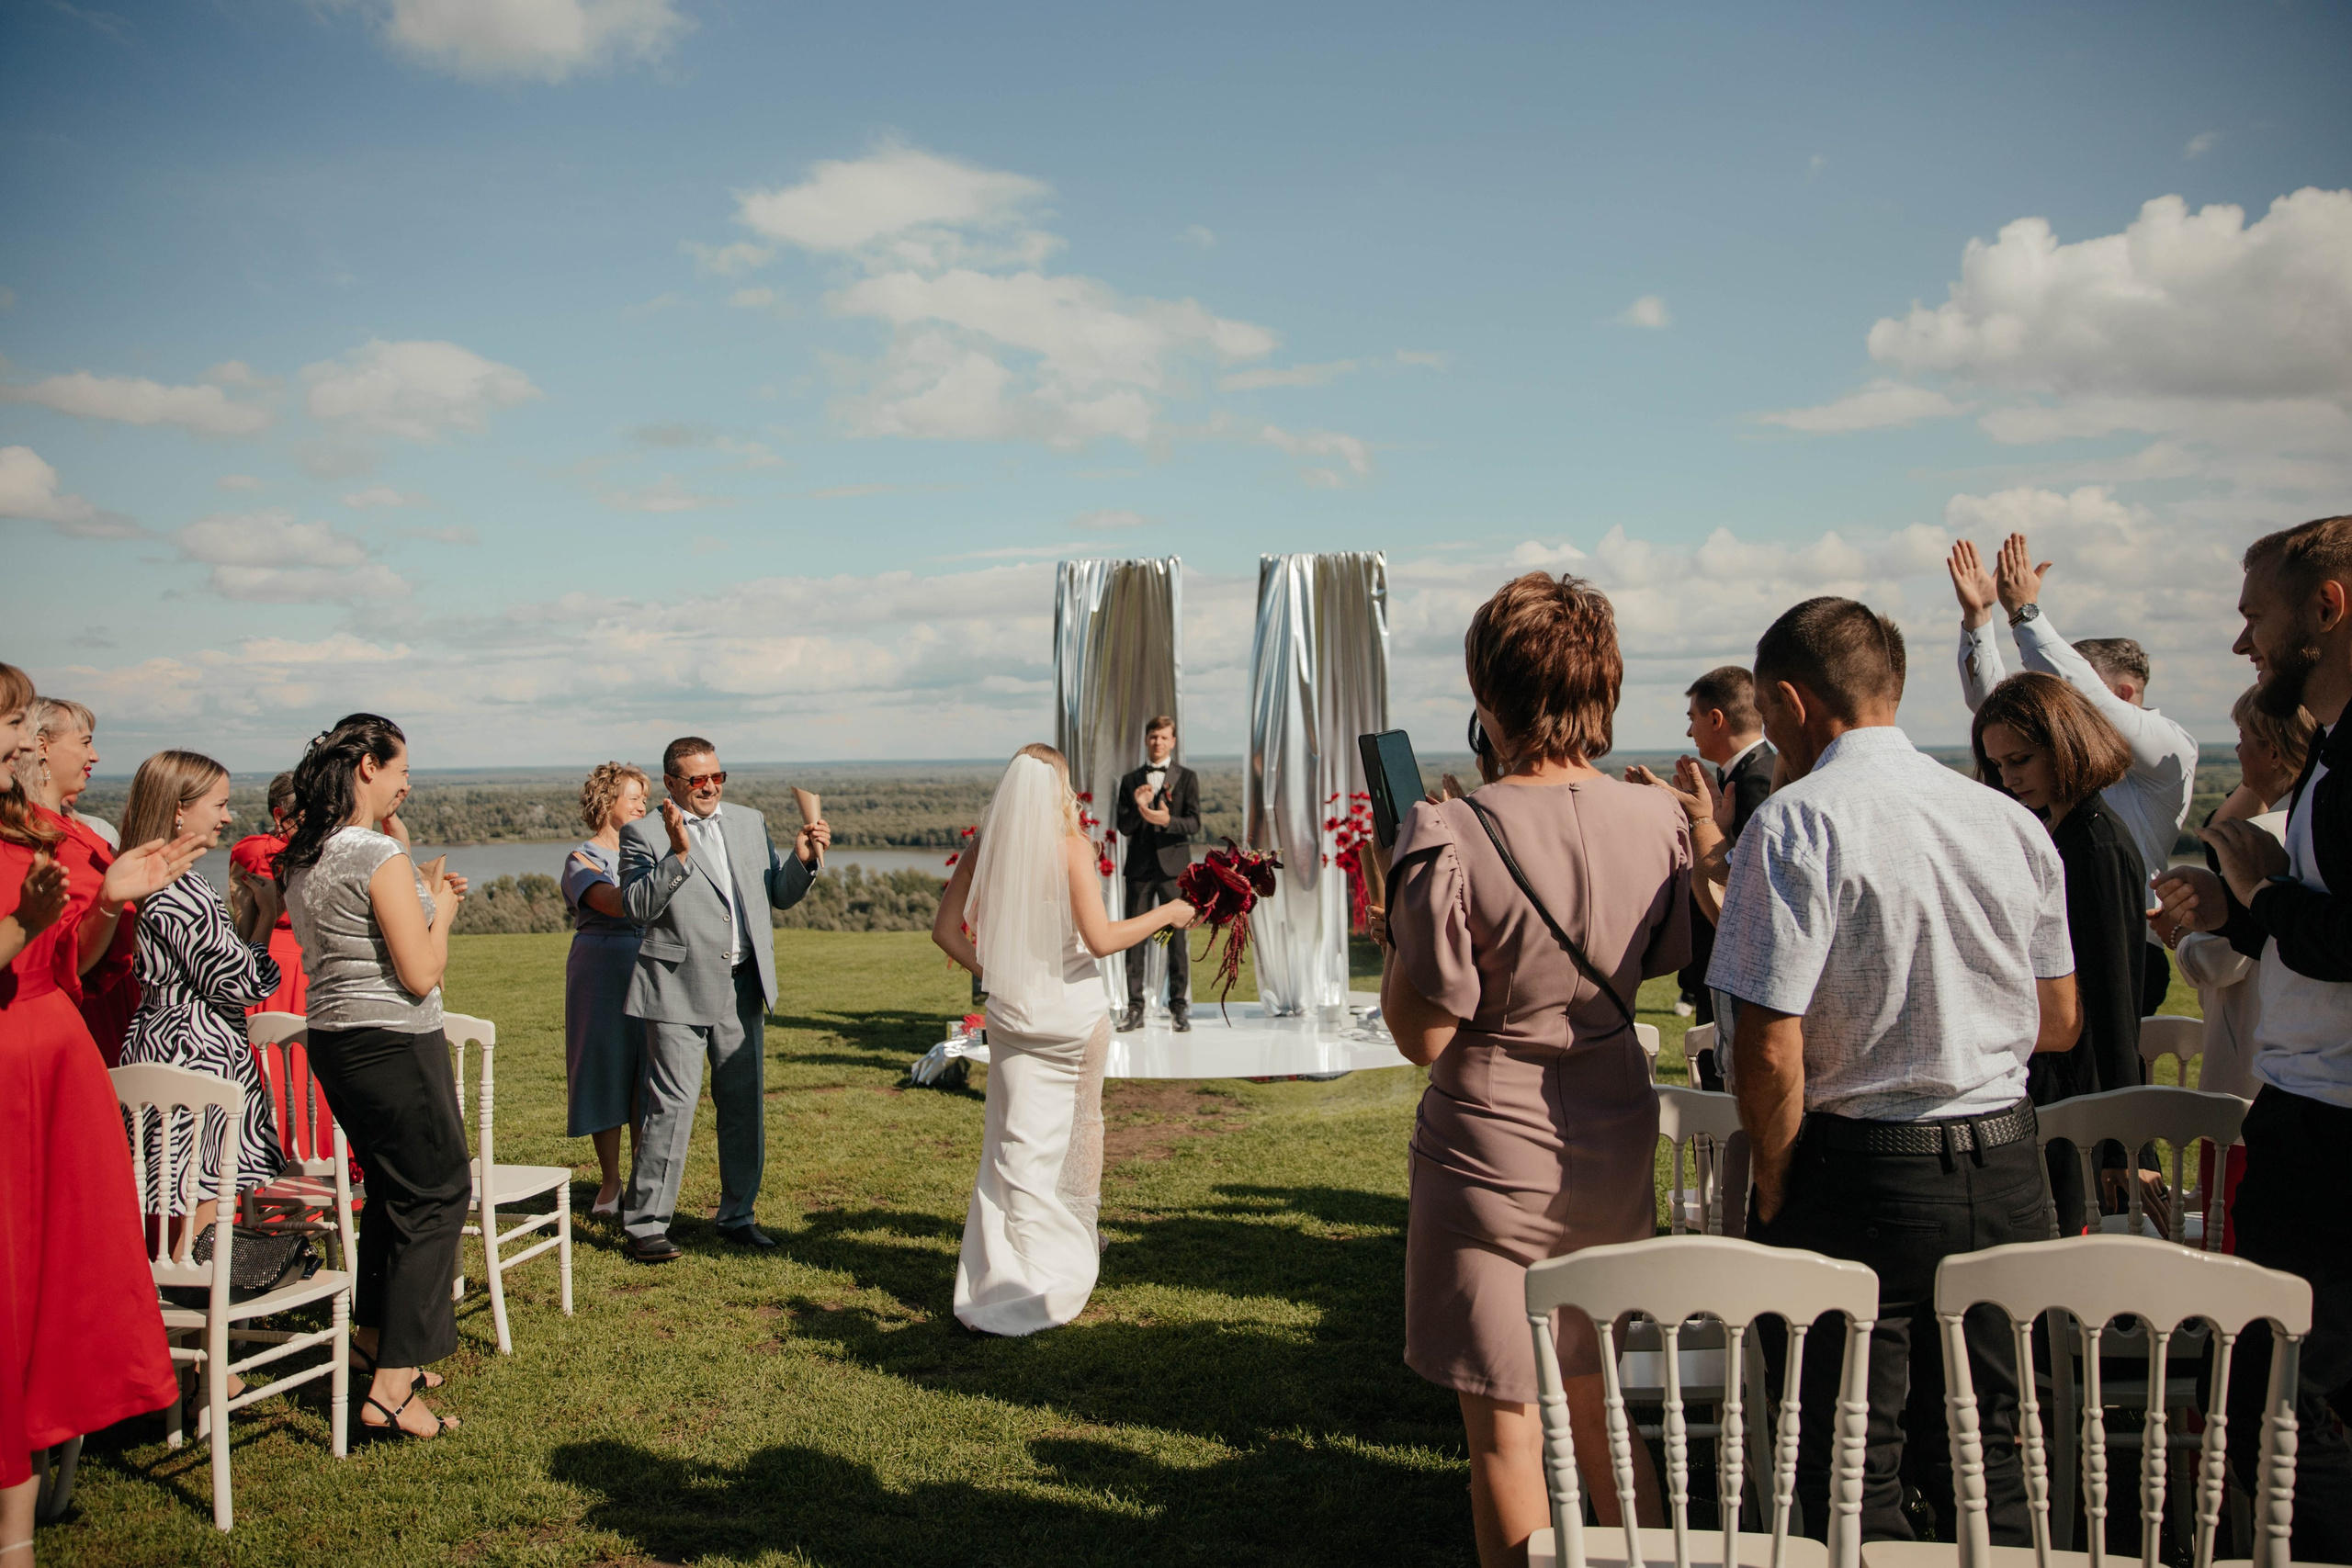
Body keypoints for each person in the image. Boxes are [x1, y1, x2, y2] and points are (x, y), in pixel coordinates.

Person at [1710, 596, 2080, 1548]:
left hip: (1861, 1164)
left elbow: (1768, 1037)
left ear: (1787, 702)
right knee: (1997, 1448)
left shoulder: (1794, 824)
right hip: (2005, 1165)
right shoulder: (2006, 821)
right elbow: (2061, 1020)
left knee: (1844, 1453)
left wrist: (1777, 1170)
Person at [1375, 573, 1691, 1567]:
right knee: (1595, 1401)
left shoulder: (1453, 834)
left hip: (1489, 1150)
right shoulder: (1661, 820)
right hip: (1613, 1134)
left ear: (1486, 689)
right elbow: (1670, 953)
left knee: (1507, 1431)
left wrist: (1402, 918)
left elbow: (1421, 1034)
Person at [2152, 514, 2352, 1562]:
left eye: (2254, 619)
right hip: (2309, 1112)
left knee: (2288, 1402)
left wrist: (2261, 896)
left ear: (2330, 607)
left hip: (2332, 1138)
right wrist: (2241, 912)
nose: (2242, 645)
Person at [0, 663, 193, 1555]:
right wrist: (24, 929)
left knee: (53, 1284)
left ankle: (25, 1521)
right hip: (12, 1070)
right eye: (11, 723)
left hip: (56, 1062)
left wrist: (109, 904)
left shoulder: (32, 830)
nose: (23, 742)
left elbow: (66, 958)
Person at [930, 744, 1195, 1335]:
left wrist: (997, 973)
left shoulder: (983, 849)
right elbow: (1100, 940)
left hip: (1015, 1014)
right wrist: (1167, 913)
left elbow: (945, 932)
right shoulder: (1073, 847)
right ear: (1058, 790)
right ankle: (1071, 1250)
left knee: (1011, 1147)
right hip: (1072, 1018)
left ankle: (1000, 1270)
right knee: (1080, 1130)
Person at [281, 713, 469, 1442]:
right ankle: (393, 1387)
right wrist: (444, 909)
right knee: (439, 1189)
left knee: (392, 1187)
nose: (406, 783)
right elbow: (420, 973)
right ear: (366, 766)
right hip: (393, 1039)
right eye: (399, 771)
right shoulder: (373, 855)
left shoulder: (309, 853)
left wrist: (411, 871)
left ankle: (372, 1337)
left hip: (335, 1037)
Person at [1951, 533, 2197, 1015]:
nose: (2061, 708)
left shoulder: (2169, 748)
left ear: (2124, 695)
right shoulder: (2057, 760)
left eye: (2070, 691)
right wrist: (1979, 619)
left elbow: (2087, 701)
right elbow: (1998, 710)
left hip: (2123, 948)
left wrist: (2024, 614)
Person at [616, 738, 830, 1263]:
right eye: (697, 779)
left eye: (717, 776)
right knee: (671, 1108)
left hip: (742, 988)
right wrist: (678, 854)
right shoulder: (641, 834)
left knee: (744, 1107)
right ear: (670, 784)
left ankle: (738, 1216)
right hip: (676, 989)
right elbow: (637, 908)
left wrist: (802, 862)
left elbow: (776, 895)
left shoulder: (749, 821)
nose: (710, 787)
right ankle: (645, 1224)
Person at [1971, 672, 2146, 1234]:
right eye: (1998, 766)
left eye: (2020, 759)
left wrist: (2125, 1142)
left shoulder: (2092, 845)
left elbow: (2116, 995)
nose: (2009, 777)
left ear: (2064, 745)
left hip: (2080, 1092)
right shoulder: (2064, 833)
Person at [2163, 686, 2312, 1254]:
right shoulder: (2303, 827)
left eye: (2246, 740)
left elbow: (2218, 960)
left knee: (2237, 1247)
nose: (2238, 752)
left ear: (2274, 751)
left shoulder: (2268, 837)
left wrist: (2181, 935)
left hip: (2247, 1080)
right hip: (2281, 1077)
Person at [116, 750, 288, 1227]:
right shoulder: (179, 889)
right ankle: (201, 1290)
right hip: (196, 1047)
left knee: (168, 1185)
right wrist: (268, 917)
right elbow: (242, 982)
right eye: (219, 805)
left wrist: (254, 919)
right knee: (201, 1190)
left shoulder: (145, 874)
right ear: (178, 809)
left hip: (160, 1035)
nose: (228, 816)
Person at [10, 697, 140, 1062]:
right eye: (85, 742)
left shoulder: (75, 830)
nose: (95, 755)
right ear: (41, 747)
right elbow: (64, 953)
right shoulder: (37, 836)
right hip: (84, 1005)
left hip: (114, 997)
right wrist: (111, 900)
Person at [1664, 666, 1774, 1082]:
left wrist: (1702, 827)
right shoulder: (1740, 777)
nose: (1690, 733)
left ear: (1716, 718)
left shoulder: (1759, 781)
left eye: (1692, 718)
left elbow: (1745, 888)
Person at [561, 761, 652, 1216]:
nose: (643, 803)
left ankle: (643, 1180)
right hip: (599, 969)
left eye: (644, 796)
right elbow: (617, 905)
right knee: (602, 1069)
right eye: (634, 795)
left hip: (650, 967)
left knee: (645, 1074)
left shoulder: (651, 853)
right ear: (607, 801)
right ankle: (610, 1182)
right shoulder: (581, 859)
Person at [1113, 715, 1199, 1033]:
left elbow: (1194, 823)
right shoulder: (1130, 780)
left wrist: (1166, 821)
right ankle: (1135, 1008)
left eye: (1164, 737)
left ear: (1172, 741)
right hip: (1138, 870)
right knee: (1133, 939)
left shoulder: (1187, 777)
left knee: (1177, 940)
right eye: (1153, 737)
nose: (1158, 742)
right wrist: (1140, 806)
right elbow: (1123, 827)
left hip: (1174, 871)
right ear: (1146, 740)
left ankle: (1178, 1006)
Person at [230, 772, 307, 1017]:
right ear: (279, 816)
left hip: (260, 963)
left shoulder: (249, 850)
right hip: (286, 965)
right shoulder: (264, 853)